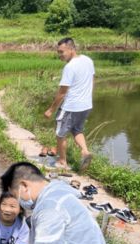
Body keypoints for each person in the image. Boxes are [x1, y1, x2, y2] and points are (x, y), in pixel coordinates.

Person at [44, 37, 95, 171]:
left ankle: (62, 162)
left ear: (71, 49)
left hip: (71, 106)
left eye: (62, 52)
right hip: (86, 105)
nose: (60, 55)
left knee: (60, 133)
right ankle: (85, 151)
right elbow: (92, 79)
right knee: (77, 129)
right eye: (58, 52)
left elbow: (62, 92)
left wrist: (51, 110)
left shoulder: (70, 67)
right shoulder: (88, 60)